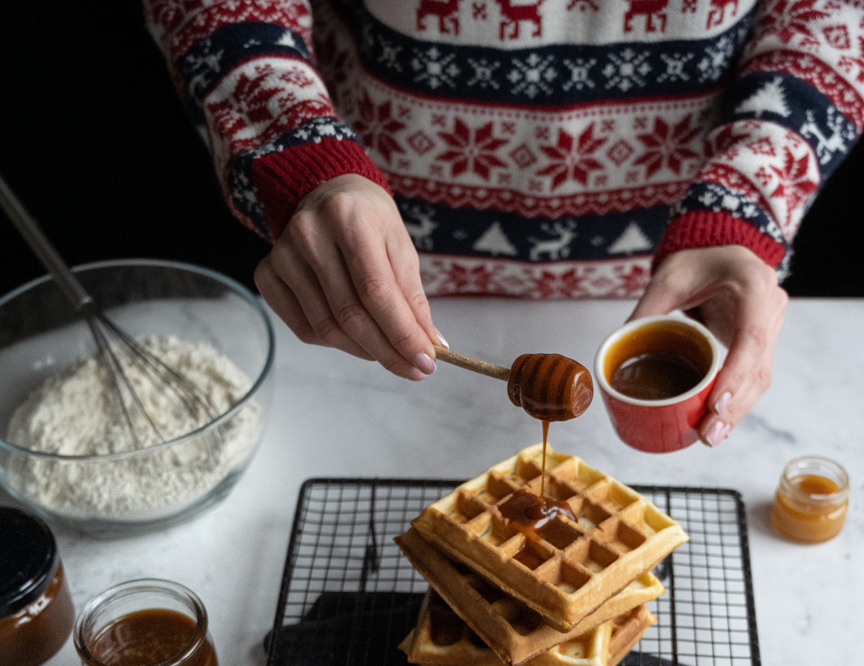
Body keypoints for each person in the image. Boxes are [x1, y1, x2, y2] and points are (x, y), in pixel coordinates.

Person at [143, 0, 863, 445]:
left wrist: (743, 206)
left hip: (664, 273)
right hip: (366, 267)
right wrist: (297, 152)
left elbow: (833, 13)